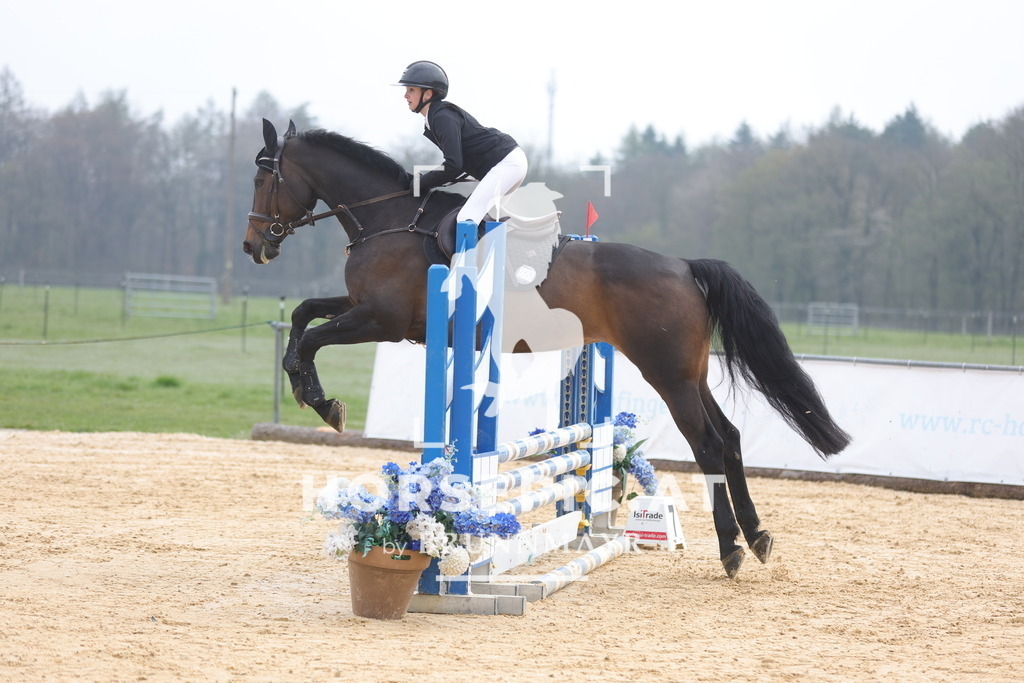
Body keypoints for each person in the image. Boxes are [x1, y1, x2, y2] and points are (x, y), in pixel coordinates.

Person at [396, 60, 528, 225]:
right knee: (490, 221)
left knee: (467, 218)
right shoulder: (434, 118)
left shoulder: (441, 117)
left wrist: (421, 183)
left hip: (506, 163)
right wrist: (423, 181)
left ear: (428, 94)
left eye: (411, 90)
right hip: (510, 162)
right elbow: (457, 164)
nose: (406, 95)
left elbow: (453, 165)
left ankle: (466, 253)